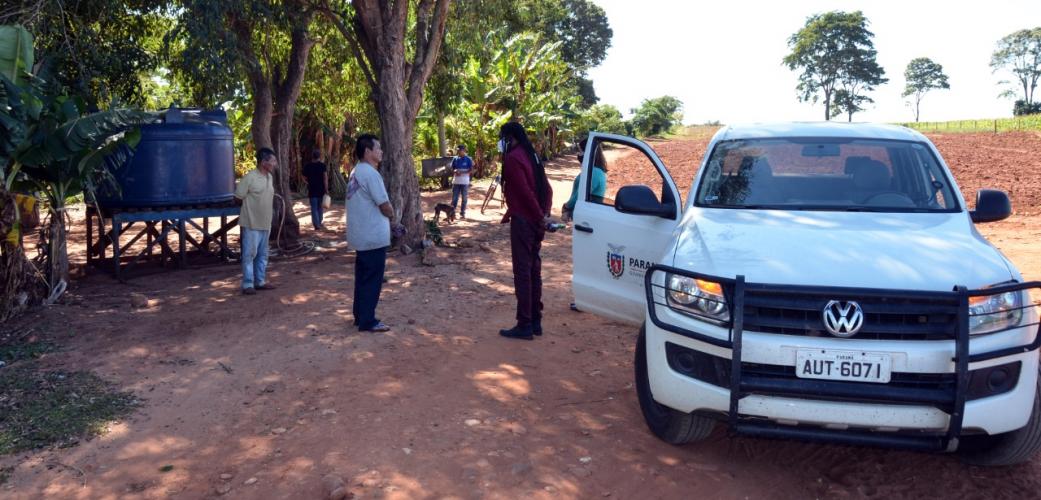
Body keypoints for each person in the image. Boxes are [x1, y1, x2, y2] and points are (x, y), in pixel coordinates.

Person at [498, 122, 554, 340]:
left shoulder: (513, 158)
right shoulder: (533, 155)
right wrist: (544, 214)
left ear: (510, 137)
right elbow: (546, 189)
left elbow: (523, 192)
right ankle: (536, 320)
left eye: (502, 137)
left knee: (523, 272)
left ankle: (524, 324)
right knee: (534, 271)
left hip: (524, 221)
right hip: (535, 221)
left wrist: (539, 216)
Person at [346, 134, 394, 332]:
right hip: (373, 237)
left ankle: (360, 315)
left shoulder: (356, 171)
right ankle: (367, 321)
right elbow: (384, 204)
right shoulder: (371, 174)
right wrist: (393, 217)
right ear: (367, 151)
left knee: (363, 278)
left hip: (361, 235)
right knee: (372, 279)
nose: (381, 151)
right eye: (378, 148)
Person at [234, 147, 278, 295]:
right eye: (272, 161)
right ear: (264, 162)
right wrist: (250, 210)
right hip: (251, 224)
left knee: (263, 255)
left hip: (266, 223)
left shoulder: (269, 177)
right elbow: (238, 198)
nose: (275, 164)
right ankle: (248, 284)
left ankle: (260, 281)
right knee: (249, 254)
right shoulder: (249, 178)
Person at [561, 138, 608, 222]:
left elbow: (581, 194)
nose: (579, 154)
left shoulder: (594, 172)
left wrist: (567, 207)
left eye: (580, 151)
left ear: (588, 153)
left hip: (589, 218)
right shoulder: (593, 170)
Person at [302, 149, 329, 231]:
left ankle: (316, 225)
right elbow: (325, 178)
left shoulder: (308, 166)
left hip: (312, 189)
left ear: (312, 156)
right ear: (319, 156)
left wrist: (307, 182)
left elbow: (303, 177)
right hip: (321, 190)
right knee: (320, 207)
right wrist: (326, 189)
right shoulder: (322, 166)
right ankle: (319, 222)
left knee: (314, 208)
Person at [450, 144, 473, 219]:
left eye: (460, 150)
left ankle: (462, 213)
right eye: (458, 150)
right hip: (456, 182)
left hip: (465, 182)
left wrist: (463, 173)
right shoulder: (455, 158)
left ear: (464, 151)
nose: (458, 151)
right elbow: (452, 168)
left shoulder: (468, 159)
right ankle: (452, 213)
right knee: (454, 198)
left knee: (464, 198)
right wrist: (455, 171)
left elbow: (471, 170)